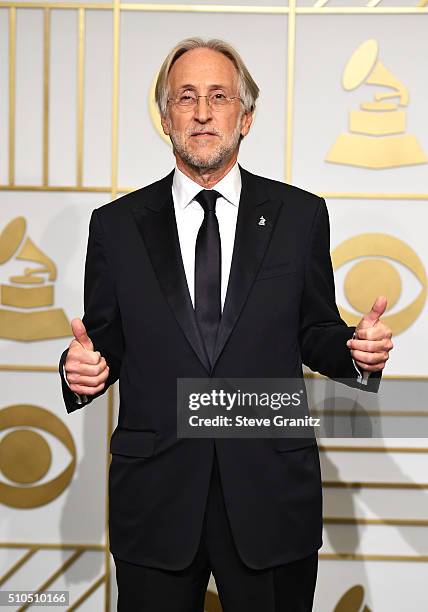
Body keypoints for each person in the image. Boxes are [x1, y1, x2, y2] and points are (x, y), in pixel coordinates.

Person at [59, 38, 393, 611]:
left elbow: (316, 329)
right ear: (165, 117)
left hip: (269, 493)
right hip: (156, 498)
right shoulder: (115, 225)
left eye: (220, 96)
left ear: (247, 116)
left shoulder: (300, 216)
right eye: (186, 97)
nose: (204, 111)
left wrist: (355, 350)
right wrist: (82, 368)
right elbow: (105, 336)